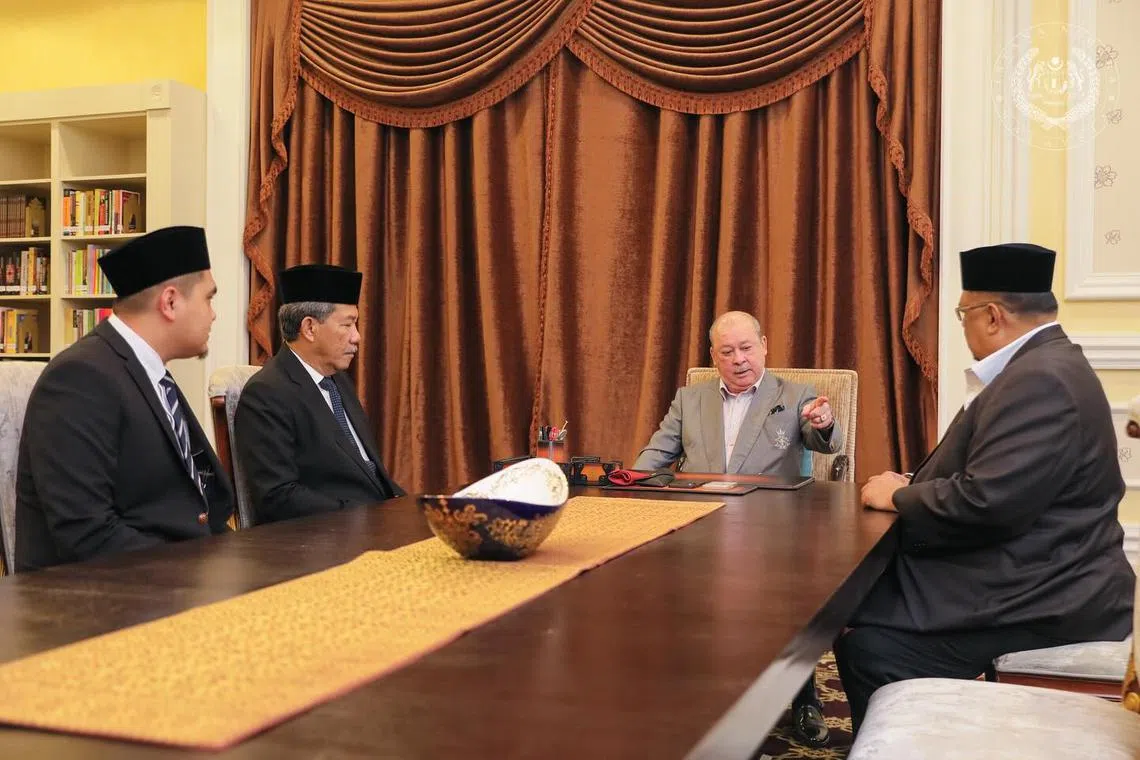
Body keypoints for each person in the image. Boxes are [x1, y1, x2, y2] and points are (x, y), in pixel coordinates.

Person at [839, 243, 1135, 732]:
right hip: (1040, 570)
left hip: (1048, 596)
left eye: (962, 315)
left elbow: (988, 502)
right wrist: (914, 483)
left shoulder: (1041, 381)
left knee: (870, 642)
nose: (964, 327)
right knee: (868, 607)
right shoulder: (1047, 365)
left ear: (992, 316)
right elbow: (1000, 479)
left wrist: (895, 496)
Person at [634, 309, 844, 746]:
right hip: (698, 526)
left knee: (787, 601)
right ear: (714, 356)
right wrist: (632, 490)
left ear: (764, 346)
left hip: (773, 531)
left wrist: (824, 423)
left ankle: (804, 697)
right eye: (727, 351)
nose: (739, 359)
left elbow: (822, 436)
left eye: (747, 348)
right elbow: (653, 459)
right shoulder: (689, 400)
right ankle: (694, 689)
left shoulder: (795, 393)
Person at [15, 226, 234, 572]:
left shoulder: (150, 373)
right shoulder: (78, 379)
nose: (213, 314)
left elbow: (199, 507)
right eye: (209, 298)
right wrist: (192, 573)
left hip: (170, 580)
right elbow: (86, 533)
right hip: (100, 605)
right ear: (171, 302)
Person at [234, 264, 404, 525]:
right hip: (325, 539)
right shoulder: (266, 394)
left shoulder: (338, 381)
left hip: (374, 523)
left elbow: (367, 471)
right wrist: (365, 516)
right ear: (310, 328)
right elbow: (277, 496)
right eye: (347, 325)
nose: (356, 337)